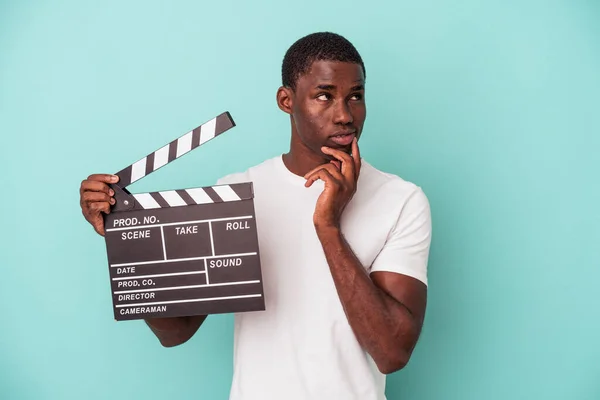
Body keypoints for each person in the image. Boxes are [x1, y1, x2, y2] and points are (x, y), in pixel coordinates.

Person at [79, 32, 432, 400]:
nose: (344, 115)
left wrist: (328, 228)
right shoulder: (237, 193)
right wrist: (128, 233)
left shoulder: (401, 200)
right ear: (286, 100)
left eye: (355, 96)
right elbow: (175, 331)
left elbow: (392, 352)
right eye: (324, 95)